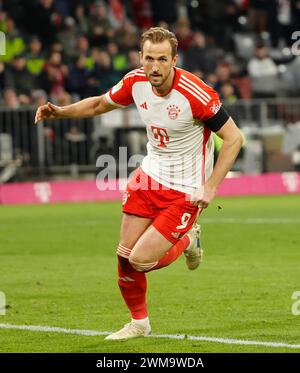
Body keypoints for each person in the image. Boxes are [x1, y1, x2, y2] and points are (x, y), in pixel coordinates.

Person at [35, 27, 243, 340]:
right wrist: (60, 112)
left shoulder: (196, 94)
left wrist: (211, 186)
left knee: (140, 261)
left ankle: (187, 240)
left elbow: (233, 138)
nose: (155, 66)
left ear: (174, 59)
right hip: (149, 177)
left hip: (186, 190)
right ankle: (139, 323)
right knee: (123, 256)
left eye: (162, 59)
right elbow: (98, 105)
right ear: (140, 58)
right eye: (149, 58)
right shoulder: (135, 81)